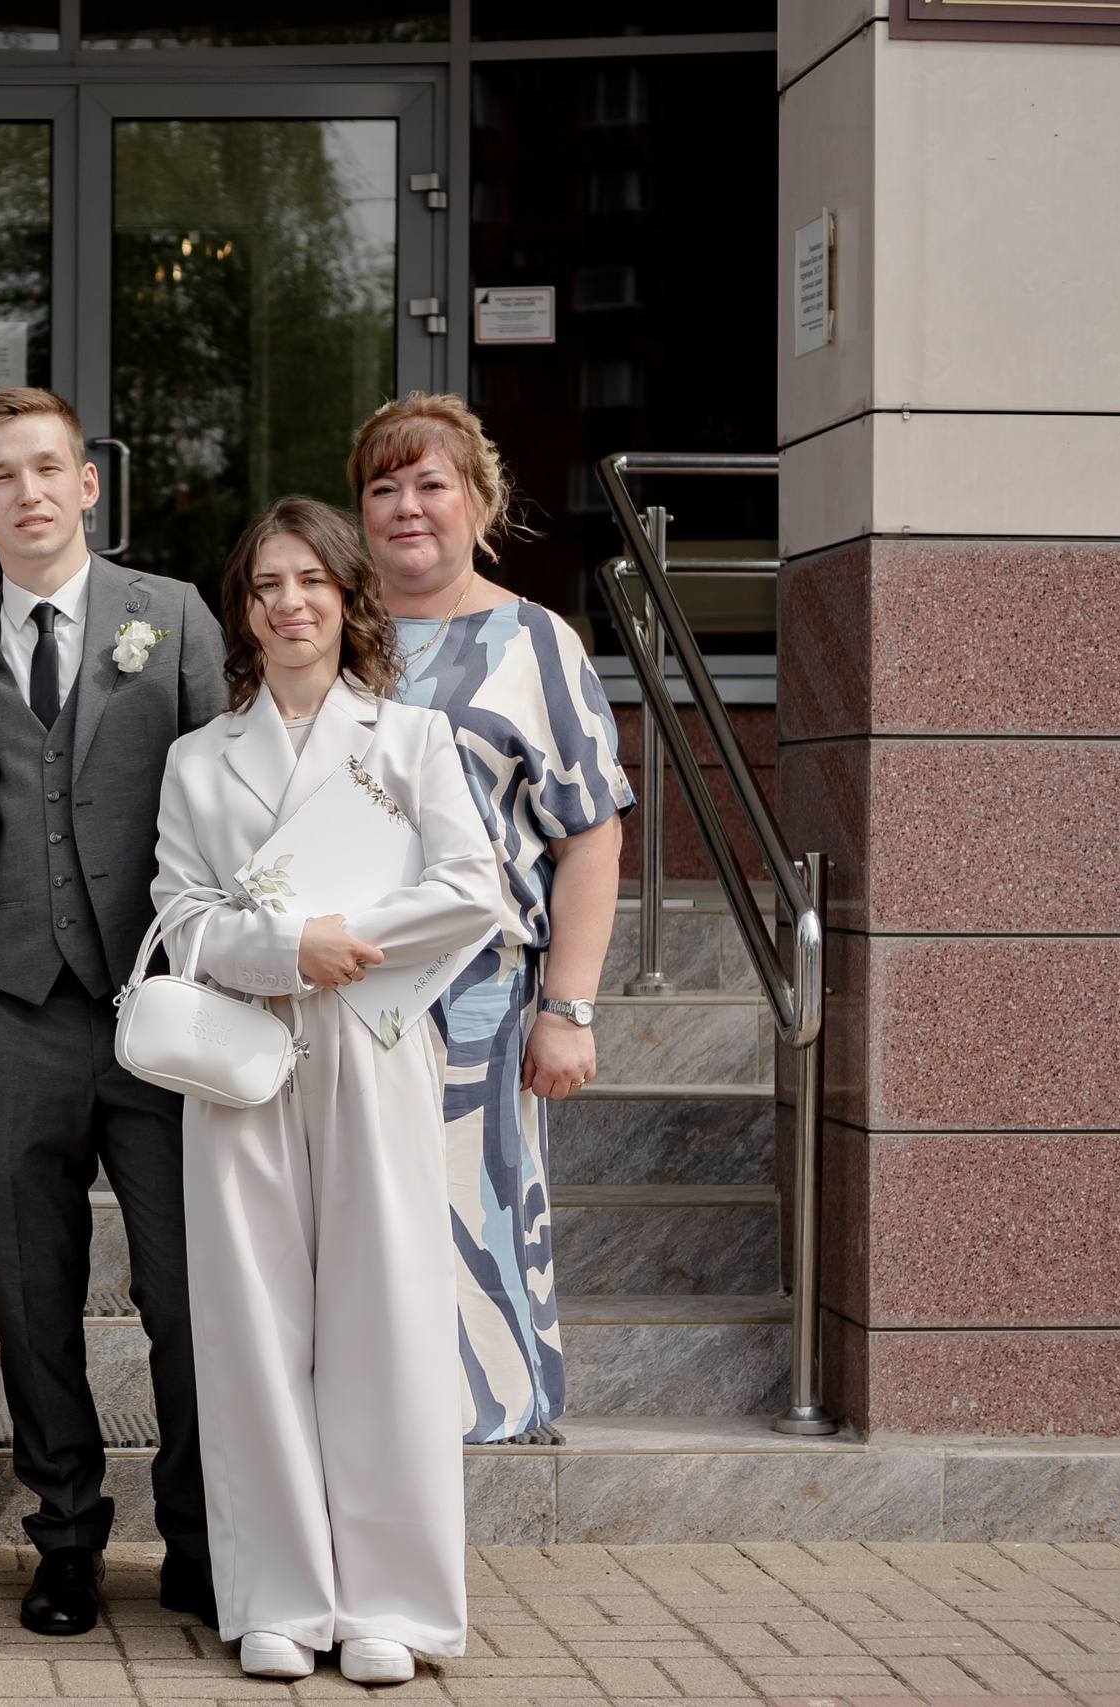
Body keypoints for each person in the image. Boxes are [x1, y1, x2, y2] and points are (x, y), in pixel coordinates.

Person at [149, 497, 497, 1682]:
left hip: (372, 1042)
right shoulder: (200, 758)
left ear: (349, 601)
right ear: (243, 613)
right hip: (243, 1056)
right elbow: (181, 916)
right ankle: (280, 1600)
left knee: (385, 1317)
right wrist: (282, 950)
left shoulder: (411, 741)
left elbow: (472, 886)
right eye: (264, 587)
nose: (287, 604)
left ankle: (392, 1605)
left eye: (309, 583)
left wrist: (344, 939)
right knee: (250, 1325)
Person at [0, 387, 224, 1635]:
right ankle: (63, 1540)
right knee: (31, 1299)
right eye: (3, 476)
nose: (30, 492)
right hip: (5, 1017)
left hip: (157, 1013)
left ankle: (204, 1543)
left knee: (186, 1292)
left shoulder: (175, 617)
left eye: (49, 469)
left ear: (88, 484)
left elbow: (231, 791)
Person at [351, 392, 631, 1446]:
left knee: (470, 1211)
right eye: (384, 488)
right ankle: (372, 1420)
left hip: (479, 1001)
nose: (407, 508)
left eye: (430, 484)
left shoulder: (534, 642)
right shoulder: (333, 630)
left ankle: (477, 1421)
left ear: (478, 499)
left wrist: (570, 1006)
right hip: (347, 982)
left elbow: (589, 837)